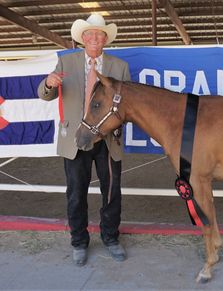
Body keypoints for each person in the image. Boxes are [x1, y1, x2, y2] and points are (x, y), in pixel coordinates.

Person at [38, 13, 130, 267]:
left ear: (105, 39)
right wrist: (48, 83)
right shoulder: (65, 62)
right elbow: (44, 95)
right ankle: (79, 241)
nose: (94, 38)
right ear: (83, 38)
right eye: (89, 34)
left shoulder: (119, 67)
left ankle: (111, 238)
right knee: (76, 193)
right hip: (76, 140)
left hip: (108, 140)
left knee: (111, 193)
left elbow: (127, 104)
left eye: (99, 35)